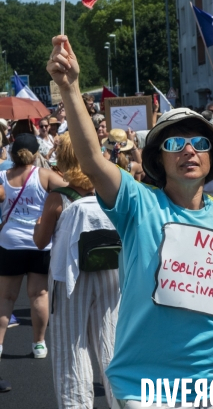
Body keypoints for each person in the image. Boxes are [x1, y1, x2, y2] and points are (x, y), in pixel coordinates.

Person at [46, 34, 213, 409]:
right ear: (158, 158)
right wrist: (69, 87)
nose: (188, 150)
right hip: (145, 390)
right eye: (173, 144)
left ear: (211, 157)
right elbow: (92, 163)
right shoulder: (137, 203)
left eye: (199, 144)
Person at [33, 132, 120, 409]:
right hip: (111, 273)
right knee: (111, 342)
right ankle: (124, 402)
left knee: (71, 348)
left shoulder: (59, 198)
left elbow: (41, 241)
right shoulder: (112, 189)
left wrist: (39, 223)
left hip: (70, 278)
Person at [0, 134, 65, 360]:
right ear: (36, 153)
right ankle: (39, 344)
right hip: (41, 242)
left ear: (11, 153)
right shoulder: (45, 175)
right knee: (39, 294)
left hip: (9, 243)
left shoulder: (2, 176)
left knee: (6, 297)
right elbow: (73, 189)